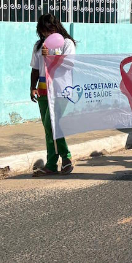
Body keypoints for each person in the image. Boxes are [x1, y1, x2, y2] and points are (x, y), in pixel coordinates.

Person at [30, 14, 77, 177]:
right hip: (43, 89)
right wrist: (32, 86)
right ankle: (51, 163)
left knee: (53, 125)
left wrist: (50, 57)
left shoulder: (67, 43)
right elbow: (35, 68)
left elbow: (69, 64)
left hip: (61, 90)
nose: (47, 35)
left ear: (56, 27)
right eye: (43, 32)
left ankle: (66, 158)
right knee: (48, 128)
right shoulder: (39, 46)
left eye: (49, 30)